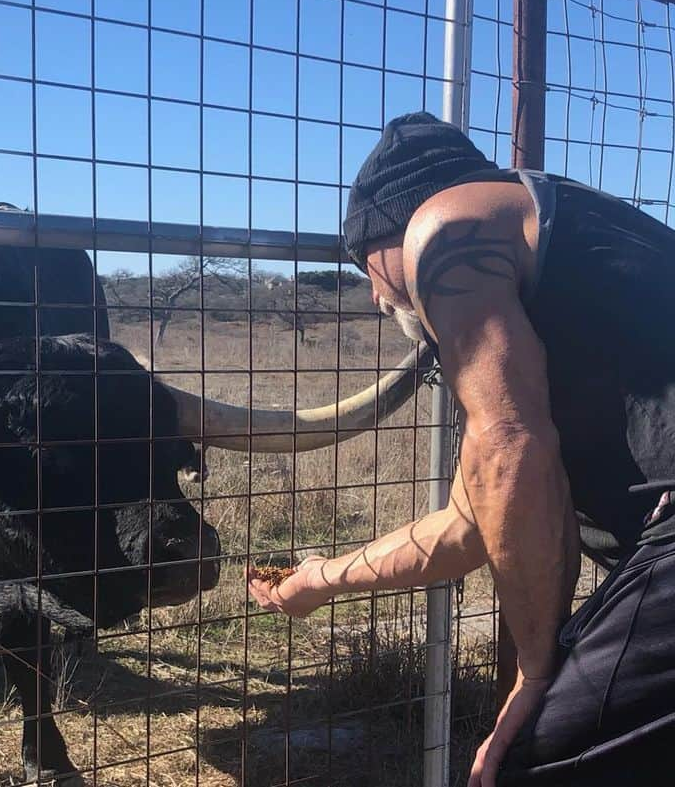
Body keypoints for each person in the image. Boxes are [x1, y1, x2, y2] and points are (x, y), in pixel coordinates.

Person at [247, 111, 675, 786]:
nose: (375, 293)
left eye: (367, 267)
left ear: (392, 234)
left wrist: (536, 671)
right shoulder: (567, 249)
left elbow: (510, 451)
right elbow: (475, 521)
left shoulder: (443, 231)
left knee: (539, 756)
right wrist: (319, 579)